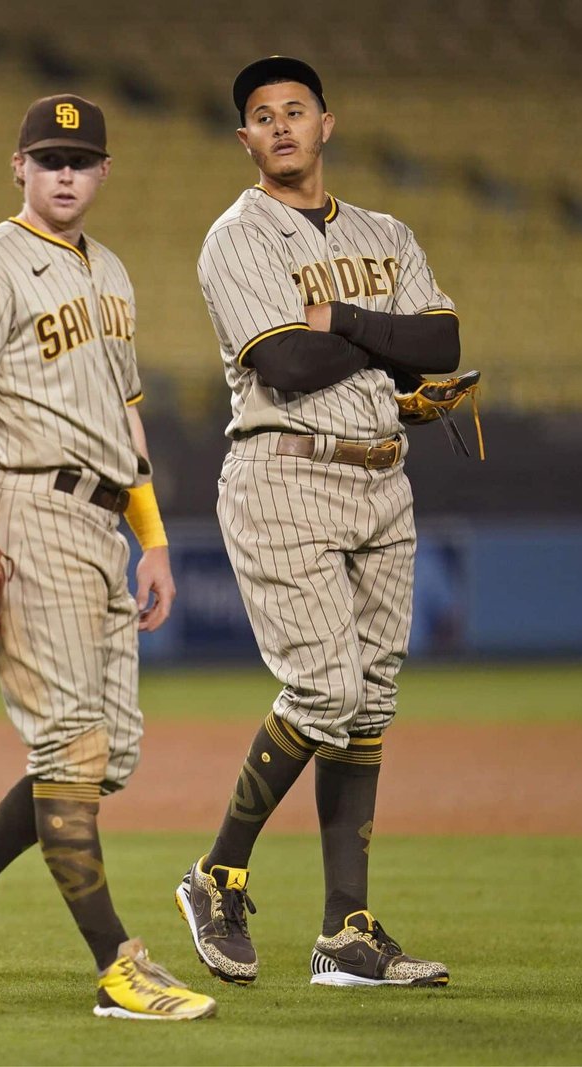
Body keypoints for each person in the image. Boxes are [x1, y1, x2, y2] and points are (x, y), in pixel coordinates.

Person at [0, 94, 216, 1022]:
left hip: (104, 521)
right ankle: (118, 966)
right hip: (27, 506)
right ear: (19, 168)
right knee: (70, 744)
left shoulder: (110, 270)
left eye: (80, 160)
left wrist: (152, 536)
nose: (64, 174)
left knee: (106, 756)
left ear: (104, 172)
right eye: (48, 159)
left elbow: (125, 415)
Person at [176, 56, 457, 988]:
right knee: (327, 689)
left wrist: (337, 317)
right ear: (245, 139)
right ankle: (216, 873)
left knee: (369, 704)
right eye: (263, 116)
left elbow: (443, 343)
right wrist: (384, 339)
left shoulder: (385, 231)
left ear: (326, 124)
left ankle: (347, 932)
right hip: (285, 471)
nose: (282, 126)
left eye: (296, 110)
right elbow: (288, 366)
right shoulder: (237, 237)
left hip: (383, 474)